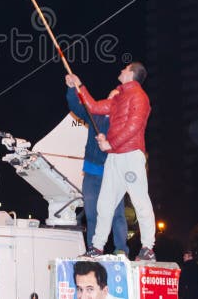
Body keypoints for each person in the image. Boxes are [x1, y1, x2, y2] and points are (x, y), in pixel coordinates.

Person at [68, 62, 156, 261]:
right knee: (105, 203)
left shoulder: (139, 97)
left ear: (132, 73)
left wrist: (110, 143)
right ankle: (97, 247)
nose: (121, 70)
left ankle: (148, 247)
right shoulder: (119, 98)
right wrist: (79, 86)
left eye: (125, 69)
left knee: (140, 200)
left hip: (131, 155)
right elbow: (93, 107)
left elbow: (134, 125)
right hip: (114, 157)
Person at [66, 87, 129, 255]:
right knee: (92, 214)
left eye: (117, 99)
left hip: (113, 174)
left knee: (117, 215)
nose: (112, 101)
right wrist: (72, 89)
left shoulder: (122, 122)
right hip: (92, 174)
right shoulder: (95, 114)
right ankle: (94, 249)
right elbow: (77, 107)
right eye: (110, 96)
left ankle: (121, 249)